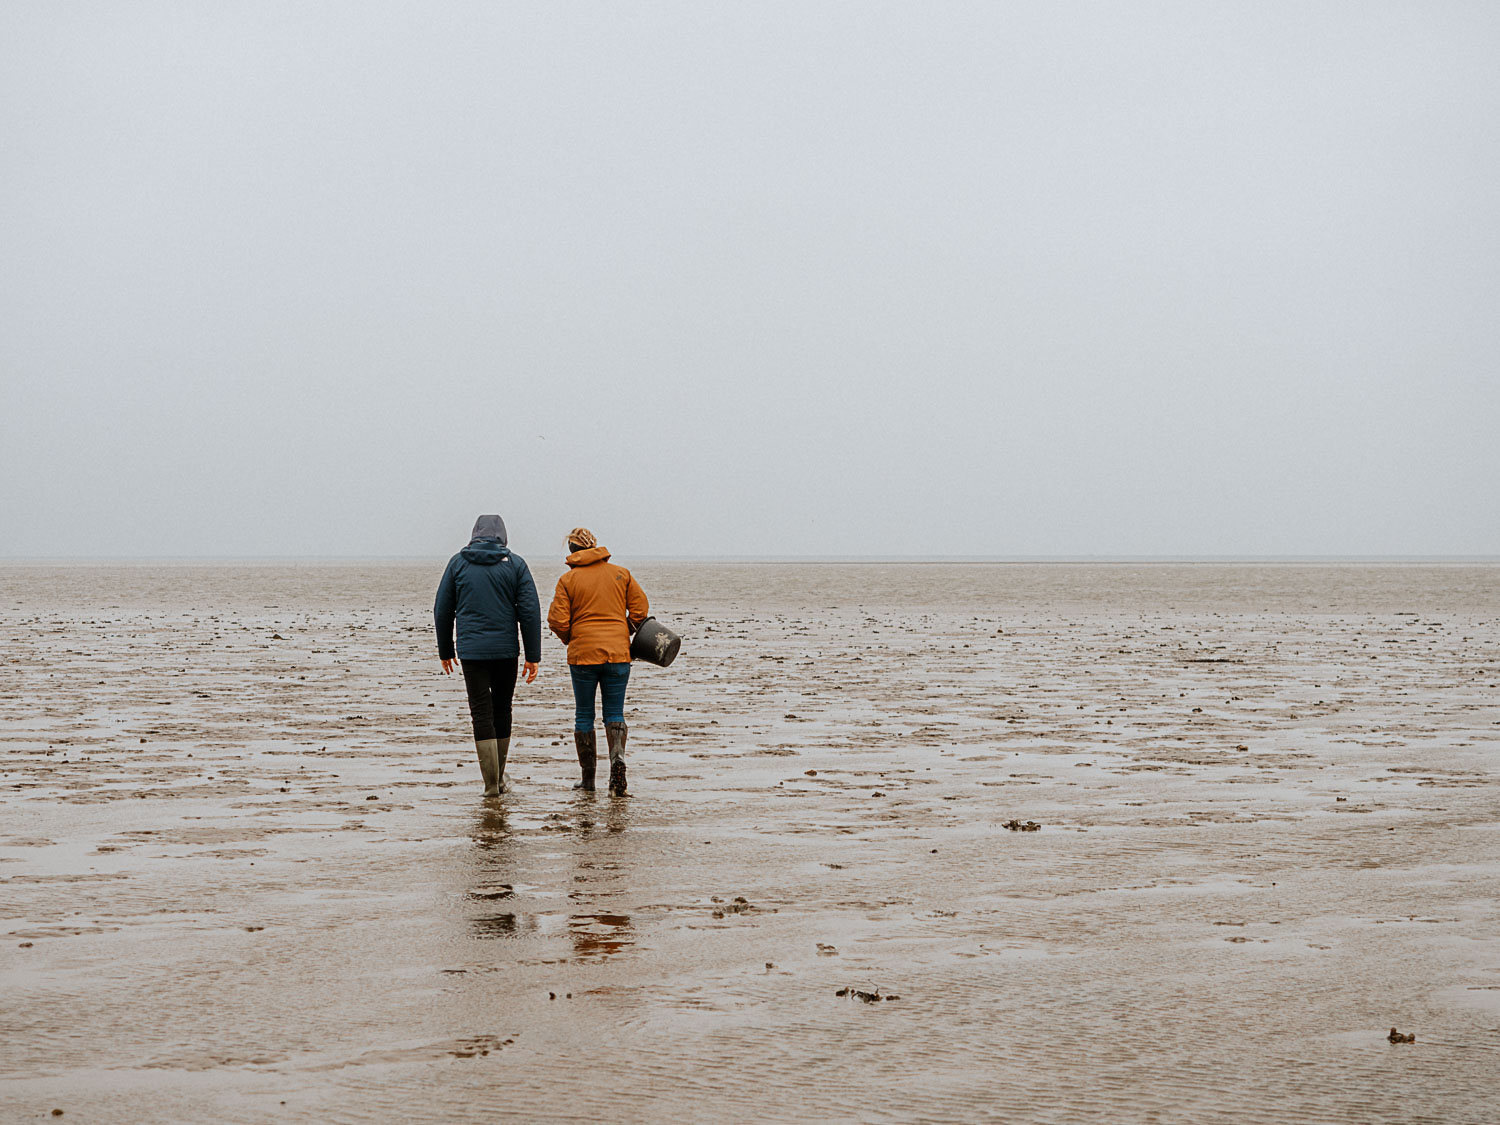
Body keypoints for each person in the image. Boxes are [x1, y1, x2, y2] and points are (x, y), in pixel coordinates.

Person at [434, 514, 541, 797]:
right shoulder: (516, 564)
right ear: (503, 536)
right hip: (507, 651)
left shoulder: (458, 563)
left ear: (474, 533)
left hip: (472, 652)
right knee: (502, 709)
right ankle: (500, 778)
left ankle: (491, 785)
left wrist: (445, 649)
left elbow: (443, 609)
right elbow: (529, 612)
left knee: (481, 712)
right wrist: (533, 655)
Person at [547, 527, 649, 796]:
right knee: (615, 713)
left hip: (583, 654)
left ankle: (588, 780)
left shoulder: (568, 580)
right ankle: (617, 761)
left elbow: (557, 620)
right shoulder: (621, 574)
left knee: (584, 714)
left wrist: (572, 636)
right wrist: (623, 629)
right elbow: (640, 610)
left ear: (572, 550)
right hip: (617, 653)